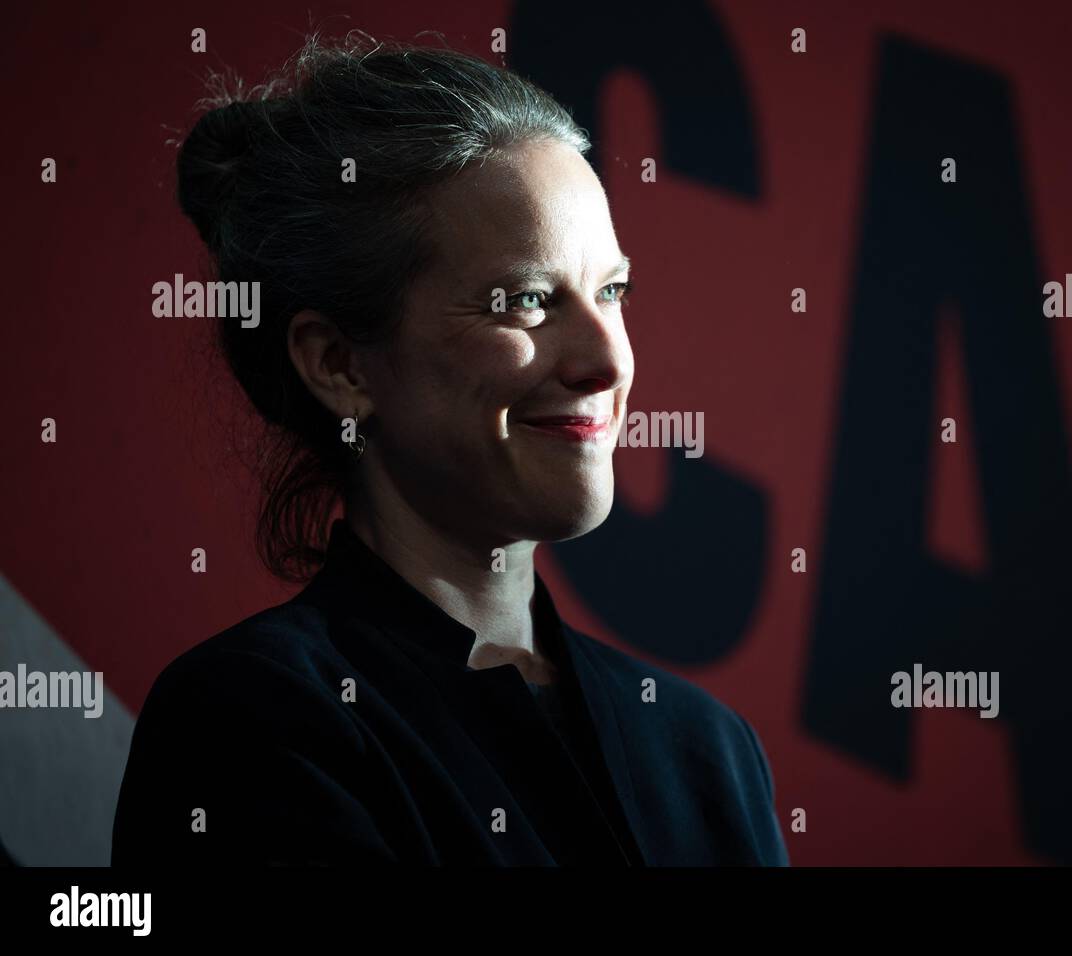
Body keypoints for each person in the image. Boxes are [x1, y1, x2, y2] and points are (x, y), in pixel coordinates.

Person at [111, 32, 789, 866]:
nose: (608, 360)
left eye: (612, 291)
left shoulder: (706, 749)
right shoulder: (251, 721)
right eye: (527, 299)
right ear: (338, 364)